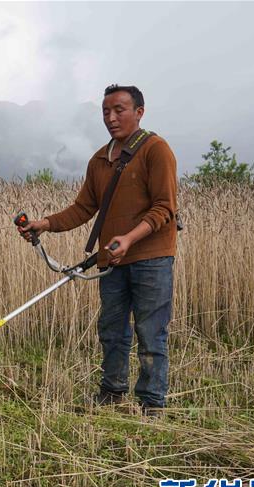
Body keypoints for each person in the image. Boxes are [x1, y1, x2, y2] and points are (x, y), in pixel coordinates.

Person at [18, 84, 178, 415]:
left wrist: (129, 238)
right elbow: (83, 208)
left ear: (139, 112)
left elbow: (165, 208)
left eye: (119, 110)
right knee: (111, 329)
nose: (111, 118)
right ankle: (112, 392)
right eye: (106, 112)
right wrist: (44, 224)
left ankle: (152, 404)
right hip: (112, 261)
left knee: (151, 332)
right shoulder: (99, 160)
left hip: (151, 258)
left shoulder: (156, 150)